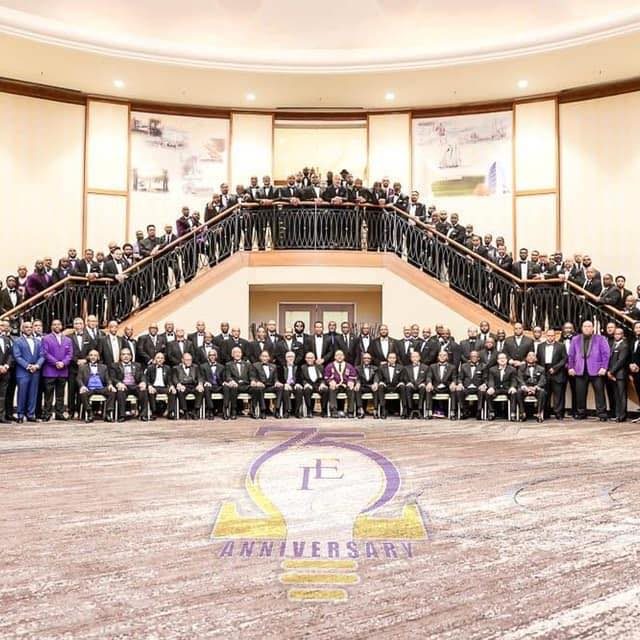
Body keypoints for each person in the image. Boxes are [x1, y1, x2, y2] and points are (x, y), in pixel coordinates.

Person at [567, 320, 610, 421]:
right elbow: (571, 355)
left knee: (599, 393)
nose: (587, 328)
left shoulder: (601, 339)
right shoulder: (575, 339)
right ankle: (581, 413)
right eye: (585, 326)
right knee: (580, 394)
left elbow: (606, 354)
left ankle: (602, 414)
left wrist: (604, 367)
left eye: (589, 326)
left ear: (593, 328)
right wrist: (570, 367)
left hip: (597, 370)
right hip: (580, 370)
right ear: (582, 328)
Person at [12, 321, 44, 422]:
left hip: (35, 371)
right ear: (22, 329)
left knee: (33, 393)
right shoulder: (18, 341)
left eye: (30, 327)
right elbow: (17, 356)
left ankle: (30, 414)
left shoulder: (38, 341)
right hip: (23, 371)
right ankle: (20, 415)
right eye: (26, 327)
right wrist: (27, 366)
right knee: (22, 393)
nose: (29, 329)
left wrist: (37, 365)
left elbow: (42, 355)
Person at [41, 319, 72, 421]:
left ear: (62, 326)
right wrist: (56, 362)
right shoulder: (46, 338)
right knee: (48, 394)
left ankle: (59, 413)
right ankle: (47, 413)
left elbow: (70, 354)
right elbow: (45, 353)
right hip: (50, 371)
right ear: (51, 326)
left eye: (58, 324)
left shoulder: (68, 340)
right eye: (54, 324)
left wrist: (63, 363)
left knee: (60, 394)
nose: (57, 326)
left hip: (63, 371)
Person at [76, 349, 116, 422]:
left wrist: (110, 385)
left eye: (95, 355)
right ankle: (90, 413)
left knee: (112, 392)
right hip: (89, 388)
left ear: (98, 357)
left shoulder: (104, 367)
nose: (93, 357)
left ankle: (107, 414)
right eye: (91, 355)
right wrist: (82, 386)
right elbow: (79, 378)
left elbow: (108, 379)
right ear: (88, 357)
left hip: (101, 388)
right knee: (83, 393)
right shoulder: (82, 367)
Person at [536, 329, 567, 420]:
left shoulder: (561, 346)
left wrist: (555, 368)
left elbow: (564, 359)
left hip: (557, 372)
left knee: (558, 394)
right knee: (546, 393)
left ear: (555, 336)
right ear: (546, 336)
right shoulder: (540, 346)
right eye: (548, 335)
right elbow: (538, 359)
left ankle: (558, 413)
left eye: (552, 335)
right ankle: (546, 413)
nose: (550, 337)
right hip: (544, 371)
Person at [111, 348, 149, 421]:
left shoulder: (137, 365)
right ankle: (122, 415)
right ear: (120, 356)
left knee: (143, 391)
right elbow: (112, 378)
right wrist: (118, 383)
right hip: (123, 386)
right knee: (120, 392)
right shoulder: (114, 365)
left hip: (135, 385)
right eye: (123, 354)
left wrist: (143, 382)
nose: (126, 356)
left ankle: (143, 415)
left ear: (131, 356)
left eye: (128, 354)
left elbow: (142, 375)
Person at [323, 349, 357, 418]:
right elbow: (326, 377)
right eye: (337, 355)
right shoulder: (329, 366)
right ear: (334, 357)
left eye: (341, 355)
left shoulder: (349, 366)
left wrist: (351, 381)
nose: (339, 356)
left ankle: (350, 411)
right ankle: (334, 411)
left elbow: (353, 376)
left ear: (344, 356)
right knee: (332, 389)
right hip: (335, 385)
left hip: (346, 385)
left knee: (351, 389)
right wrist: (330, 381)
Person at [250, 350, 283, 419]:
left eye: (266, 356)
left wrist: (277, 382)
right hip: (261, 386)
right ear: (260, 357)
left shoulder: (273, 366)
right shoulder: (255, 365)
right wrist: (257, 382)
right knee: (259, 388)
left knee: (280, 387)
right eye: (263, 356)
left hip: (270, 386)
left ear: (269, 358)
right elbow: (253, 377)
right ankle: (263, 410)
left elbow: (275, 378)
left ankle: (277, 410)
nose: (264, 358)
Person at [606, 326, 629, 422]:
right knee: (616, 395)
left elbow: (621, 361)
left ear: (622, 335)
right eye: (615, 334)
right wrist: (610, 372)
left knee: (621, 395)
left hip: (620, 374)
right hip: (613, 374)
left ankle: (622, 416)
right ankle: (617, 414)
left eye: (619, 334)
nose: (617, 335)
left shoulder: (624, 345)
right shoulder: (613, 345)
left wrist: (611, 372)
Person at [426, 351, 457, 419]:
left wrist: (453, 383)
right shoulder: (432, 366)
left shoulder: (452, 367)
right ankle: (429, 412)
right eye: (440, 355)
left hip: (447, 387)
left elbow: (454, 377)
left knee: (454, 390)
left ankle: (452, 412)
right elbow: (429, 377)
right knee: (428, 389)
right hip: (436, 387)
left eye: (444, 355)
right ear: (438, 357)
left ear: (447, 357)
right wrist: (429, 383)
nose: (442, 357)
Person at [172, 352, 203, 420]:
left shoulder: (195, 367)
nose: (189, 361)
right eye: (187, 360)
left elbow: (199, 377)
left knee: (200, 391)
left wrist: (200, 384)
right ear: (182, 360)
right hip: (183, 386)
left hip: (193, 385)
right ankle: (185, 411)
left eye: (190, 360)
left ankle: (195, 411)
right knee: (180, 391)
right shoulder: (176, 368)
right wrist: (178, 384)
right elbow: (174, 378)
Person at [486, 352, 517, 420]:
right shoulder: (492, 369)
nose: (502, 360)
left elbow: (514, 380)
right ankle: (491, 412)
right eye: (500, 358)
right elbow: (491, 380)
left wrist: (512, 387)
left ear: (506, 360)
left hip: (507, 388)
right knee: (488, 393)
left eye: (504, 358)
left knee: (514, 393)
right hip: (496, 388)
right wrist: (491, 387)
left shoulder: (512, 369)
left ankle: (512, 413)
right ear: (497, 360)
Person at [516, 352, 546, 422]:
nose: (531, 357)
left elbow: (543, 380)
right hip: (525, 388)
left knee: (542, 392)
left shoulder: (541, 368)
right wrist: (526, 388)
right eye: (529, 356)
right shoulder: (521, 368)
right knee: (519, 392)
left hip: (536, 388)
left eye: (533, 356)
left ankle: (539, 414)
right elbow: (520, 379)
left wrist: (535, 387)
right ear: (526, 358)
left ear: (536, 358)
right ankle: (522, 413)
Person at [222, 346, 251, 420]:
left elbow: (251, 376)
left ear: (241, 354)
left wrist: (252, 381)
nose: (237, 354)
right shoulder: (228, 364)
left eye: (239, 352)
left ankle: (253, 410)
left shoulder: (247, 364)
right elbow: (228, 376)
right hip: (235, 385)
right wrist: (232, 381)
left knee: (256, 388)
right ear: (232, 355)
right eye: (235, 352)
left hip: (246, 385)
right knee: (233, 388)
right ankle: (233, 411)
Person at [145, 352, 175, 419]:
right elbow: (147, 379)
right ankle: (153, 412)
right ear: (155, 359)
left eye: (162, 358)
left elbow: (169, 380)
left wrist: (171, 386)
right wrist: (149, 386)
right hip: (154, 387)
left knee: (172, 392)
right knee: (150, 392)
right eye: (158, 358)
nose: (160, 359)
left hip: (164, 387)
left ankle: (170, 412)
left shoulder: (167, 368)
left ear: (164, 360)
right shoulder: (150, 368)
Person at [376, 351, 405, 419]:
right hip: (386, 386)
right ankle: (383, 410)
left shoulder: (401, 367)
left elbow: (402, 379)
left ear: (396, 359)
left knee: (402, 386)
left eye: (393, 358)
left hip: (396, 387)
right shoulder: (381, 367)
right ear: (387, 358)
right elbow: (380, 378)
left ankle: (404, 411)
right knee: (380, 386)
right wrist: (381, 382)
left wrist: (401, 382)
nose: (392, 359)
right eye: (390, 358)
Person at [403, 350, 429, 419]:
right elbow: (404, 378)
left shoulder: (426, 367)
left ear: (419, 357)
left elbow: (428, 378)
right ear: (411, 358)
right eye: (413, 357)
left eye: (416, 357)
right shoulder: (406, 368)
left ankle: (420, 410)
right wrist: (408, 383)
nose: (415, 358)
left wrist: (424, 383)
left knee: (423, 388)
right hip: (411, 386)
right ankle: (410, 410)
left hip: (420, 386)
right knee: (408, 388)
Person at [200, 349, 224, 419]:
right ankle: (210, 410)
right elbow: (201, 377)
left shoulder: (221, 367)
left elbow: (224, 378)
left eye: (214, 355)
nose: (212, 357)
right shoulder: (203, 366)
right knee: (206, 388)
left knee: (226, 388)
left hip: (218, 385)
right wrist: (205, 382)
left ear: (216, 356)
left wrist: (224, 383)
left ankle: (225, 410)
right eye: (210, 355)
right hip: (209, 385)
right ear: (208, 357)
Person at [280, 350, 303, 418]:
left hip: (294, 384)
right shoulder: (281, 367)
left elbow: (300, 377)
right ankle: (287, 411)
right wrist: (285, 384)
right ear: (285, 358)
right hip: (286, 384)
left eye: (292, 357)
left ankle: (297, 411)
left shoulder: (298, 367)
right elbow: (280, 378)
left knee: (299, 390)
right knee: (286, 391)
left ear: (294, 358)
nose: (290, 358)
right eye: (288, 357)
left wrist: (298, 383)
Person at [355, 352, 378, 419]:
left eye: (368, 358)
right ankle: (360, 410)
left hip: (371, 386)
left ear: (370, 359)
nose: (367, 359)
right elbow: (357, 377)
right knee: (357, 389)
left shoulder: (375, 368)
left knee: (377, 389)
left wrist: (375, 383)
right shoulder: (357, 368)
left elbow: (376, 377)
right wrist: (357, 383)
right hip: (362, 386)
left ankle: (375, 410)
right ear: (362, 359)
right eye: (365, 358)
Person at [0, 326, 14, 423]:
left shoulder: (6, 339)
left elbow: (10, 354)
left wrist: (6, 365)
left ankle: (1, 416)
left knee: (2, 395)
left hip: (5, 371)